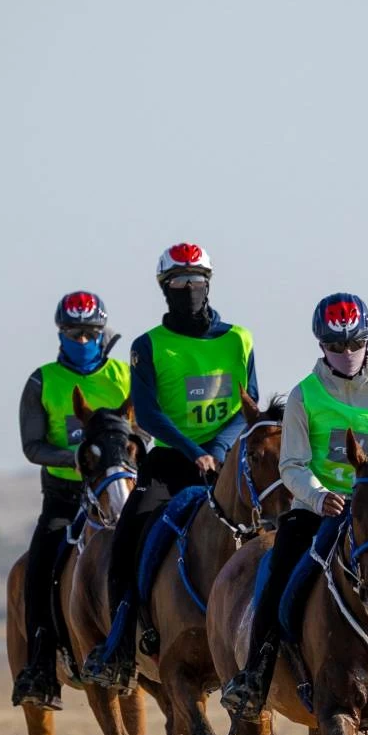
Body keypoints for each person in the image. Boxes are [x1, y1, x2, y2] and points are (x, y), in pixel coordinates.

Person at [220, 293, 368, 719]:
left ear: (367, 341)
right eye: (336, 346)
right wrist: (317, 497)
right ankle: (256, 673)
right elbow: (291, 465)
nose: (346, 354)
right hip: (319, 511)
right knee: (278, 577)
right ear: (321, 345)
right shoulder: (304, 396)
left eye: (354, 344)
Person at [83, 242, 258, 690]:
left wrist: (218, 448)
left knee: (280, 524)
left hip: (229, 462)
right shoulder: (148, 346)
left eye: (196, 281)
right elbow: (149, 411)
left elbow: (248, 405)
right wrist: (190, 449)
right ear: (165, 287)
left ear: (209, 284)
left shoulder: (239, 339)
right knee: (127, 536)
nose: (188, 289)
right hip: (170, 464)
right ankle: (121, 643)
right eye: (178, 282)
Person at [11, 290, 130, 708]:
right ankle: (41, 669)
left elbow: (143, 429)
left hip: (119, 494)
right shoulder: (41, 381)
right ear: (60, 334)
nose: (81, 341)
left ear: (103, 332)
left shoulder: (123, 375)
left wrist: (116, 458)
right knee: (37, 572)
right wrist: (79, 457)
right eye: (73, 333)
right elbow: (32, 446)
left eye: (89, 333)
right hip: (65, 497)